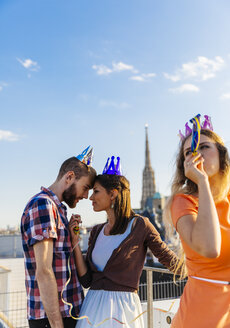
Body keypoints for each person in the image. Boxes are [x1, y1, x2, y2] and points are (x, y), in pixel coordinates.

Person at [69, 156, 179, 328]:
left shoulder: (140, 225)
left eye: (96, 191)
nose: (90, 198)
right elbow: (86, 281)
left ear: (113, 194)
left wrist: (202, 272)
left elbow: (169, 259)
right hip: (92, 310)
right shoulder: (97, 231)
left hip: (122, 312)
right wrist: (75, 242)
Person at [163, 115, 230, 328]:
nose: (197, 155)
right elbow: (210, 248)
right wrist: (202, 181)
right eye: (188, 153)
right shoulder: (183, 201)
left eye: (204, 147)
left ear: (221, 154)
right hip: (203, 315)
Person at [21, 148, 96, 328]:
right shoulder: (43, 205)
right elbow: (44, 271)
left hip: (67, 314)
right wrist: (57, 324)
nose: (86, 196)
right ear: (69, 177)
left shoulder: (58, 210)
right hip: (54, 319)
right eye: (85, 188)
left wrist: (72, 237)